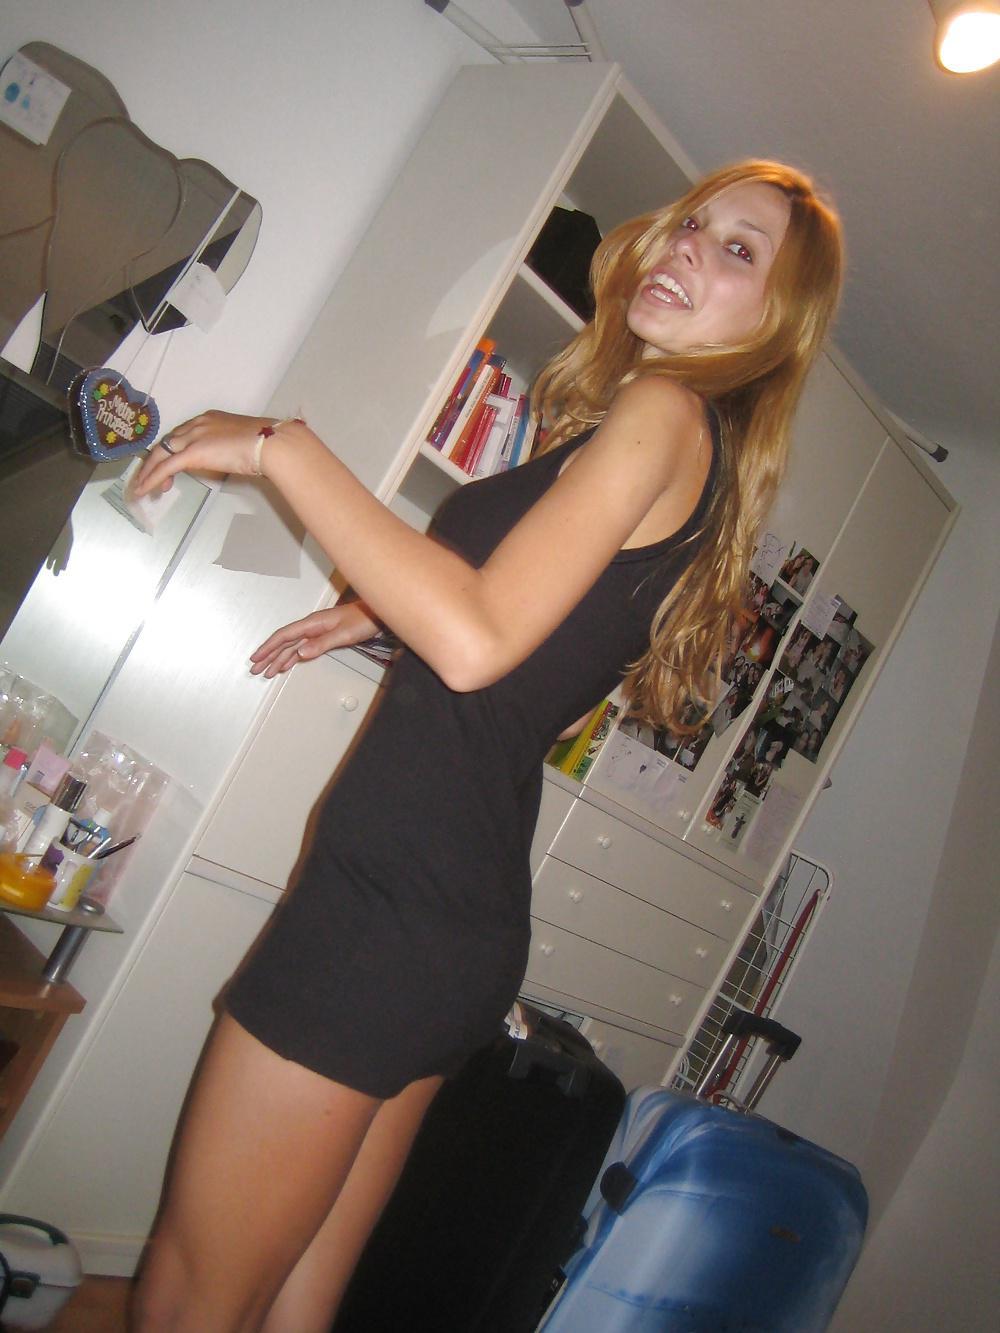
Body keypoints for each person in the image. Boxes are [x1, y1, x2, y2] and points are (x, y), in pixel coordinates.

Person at [129, 158, 842, 1332]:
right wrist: (377, 613)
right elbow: (534, 675)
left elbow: (474, 647)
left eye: (736, 250)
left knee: (188, 1295)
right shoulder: (690, 453)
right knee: (294, 1304)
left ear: (777, 319)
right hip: (451, 927)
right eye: (692, 223)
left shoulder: (663, 416)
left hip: (386, 916)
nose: (684, 246)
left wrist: (280, 448)